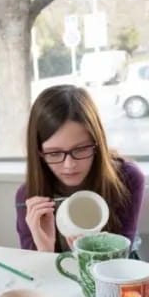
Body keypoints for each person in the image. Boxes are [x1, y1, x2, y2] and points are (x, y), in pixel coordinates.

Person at [16, 84, 145, 253]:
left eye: (81, 149)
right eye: (54, 153)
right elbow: (38, 276)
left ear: (97, 143)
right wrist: (44, 249)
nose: (69, 165)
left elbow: (121, 262)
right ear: (38, 152)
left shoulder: (127, 178)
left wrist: (88, 254)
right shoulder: (29, 197)